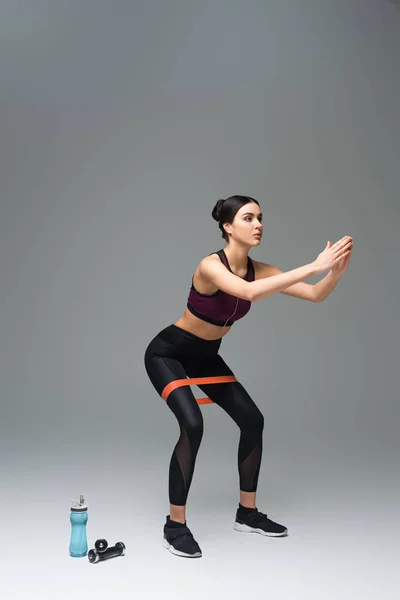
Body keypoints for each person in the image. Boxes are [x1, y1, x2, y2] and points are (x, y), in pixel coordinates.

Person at [144, 195, 353, 558]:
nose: (258, 224)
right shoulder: (211, 266)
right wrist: (314, 263)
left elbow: (316, 295)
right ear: (228, 226)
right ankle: (175, 525)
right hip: (169, 354)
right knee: (193, 425)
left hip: (207, 357)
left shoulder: (261, 268)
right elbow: (249, 292)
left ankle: (248, 513)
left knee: (252, 420)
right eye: (248, 217)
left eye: (260, 217)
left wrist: (332, 273)